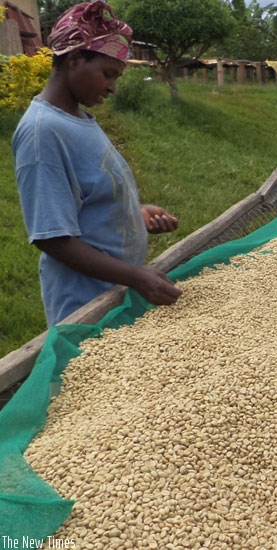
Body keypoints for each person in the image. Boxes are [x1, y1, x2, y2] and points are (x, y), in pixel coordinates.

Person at [13, 1, 182, 327]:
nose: (112, 87)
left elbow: (91, 194)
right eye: (108, 75)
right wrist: (137, 277)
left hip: (114, 294)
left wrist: (135, 213)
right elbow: (52, 237)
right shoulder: (42, 132)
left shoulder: (79, 119)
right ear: (75, 59)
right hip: (85, 306)